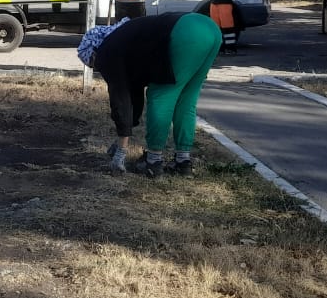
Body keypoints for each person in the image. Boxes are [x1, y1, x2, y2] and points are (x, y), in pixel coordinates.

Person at [77, 12, 221, 178]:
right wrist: (121, 141)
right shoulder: (124, 37)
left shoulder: (107, 51)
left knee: (161, 95)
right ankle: (183, 162)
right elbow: (133, 95)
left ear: (94, 53)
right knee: (186, 99)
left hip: (185, 33)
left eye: (93, 65)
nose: (98, 69)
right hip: (209, 28)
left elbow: (121, 101)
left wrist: (121, 150)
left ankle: (153, 161)